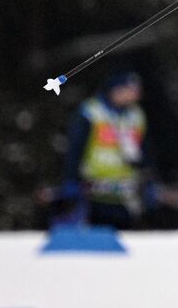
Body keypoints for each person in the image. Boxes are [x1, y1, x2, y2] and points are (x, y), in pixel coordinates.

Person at [55, 70, 150, 229]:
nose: (134, 96)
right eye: (130, 90)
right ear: (116, 89)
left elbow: (144, 149)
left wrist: (146, 176)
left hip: (124, 192)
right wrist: (70, 178)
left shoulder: (136, 115)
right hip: (92, 191)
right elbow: (75, 148)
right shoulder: (92, 112)